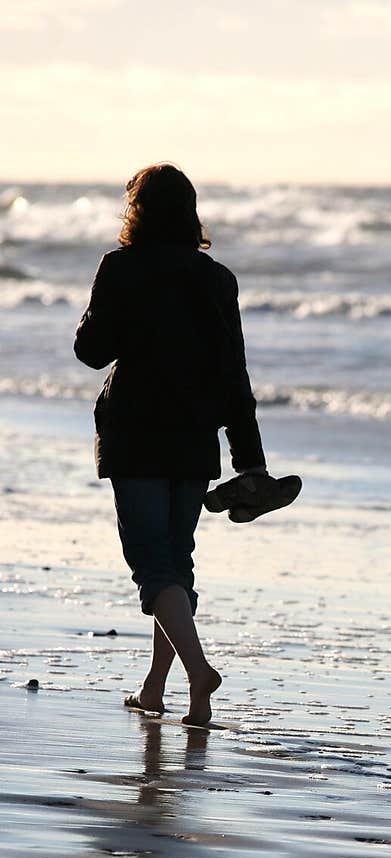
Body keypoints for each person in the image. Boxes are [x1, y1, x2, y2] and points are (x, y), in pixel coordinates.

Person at [74, 163, 267, 725]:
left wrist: (128, 315)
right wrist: (249, 458)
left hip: (135, 431)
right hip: (192, 436)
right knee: (175, 562)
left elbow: (91, 350)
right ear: (191, 212)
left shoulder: (121, 267)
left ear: (135, 211)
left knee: (152, 567)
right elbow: (235, 375)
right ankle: (161, 687)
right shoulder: (217, 278)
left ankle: (198, 670)